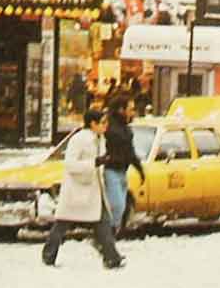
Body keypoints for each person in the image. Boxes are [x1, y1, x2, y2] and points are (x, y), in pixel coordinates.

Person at [42, 109, 124, 269]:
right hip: (76, 189)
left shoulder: (100, 139)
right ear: (93, 124)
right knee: (63, 222)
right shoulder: (79, 139)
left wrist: (105, 162)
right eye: (103, 122)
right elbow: (70, 164)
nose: (106, 125)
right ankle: (48, 254)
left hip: (94, 189)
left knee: (102, 222)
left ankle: (112, 257)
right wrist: (94, 163)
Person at [103, 97, 145, 235]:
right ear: (121, 110)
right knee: (117, 205)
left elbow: (130, 152)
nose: (133, 112)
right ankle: (106, 234)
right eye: (130, 109)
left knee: (121, 206)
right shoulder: (109, 127)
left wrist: (139, 168)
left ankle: (109, 235)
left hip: (122, 170)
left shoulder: (125, 129)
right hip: (110, 170)